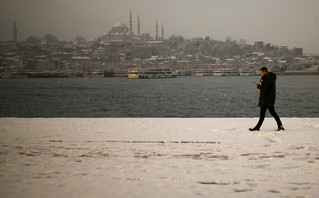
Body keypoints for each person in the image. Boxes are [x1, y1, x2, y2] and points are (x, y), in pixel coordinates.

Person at [249, 67, 285, 131]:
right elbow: (265, 86)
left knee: (263, 114)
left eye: (261, 73)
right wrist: (262, 79)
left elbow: (265, 89)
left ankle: (258, 127)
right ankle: (280, 125)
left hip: (267, 99)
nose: (261, 74)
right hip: (268, 98)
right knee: (271, 112)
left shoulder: (269, 78)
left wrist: (257, 85)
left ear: (265, 72)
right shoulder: (269, 77)